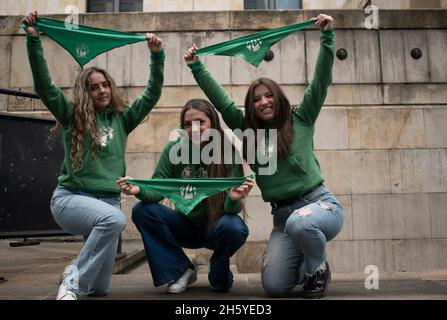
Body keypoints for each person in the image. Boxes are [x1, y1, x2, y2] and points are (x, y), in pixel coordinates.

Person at [184, 14, 343, 298]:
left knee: (301, 222)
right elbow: (220, 101)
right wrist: (197, 67)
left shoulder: (301, 118)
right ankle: (307, 260)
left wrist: (327, 37)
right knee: (274, 286)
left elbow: (320, 81)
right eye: (256, 99)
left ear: (278, 97)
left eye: (268, 95)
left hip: (319, 206)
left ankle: (317, 268)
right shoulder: (249, 131)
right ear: (251, 106)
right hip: (283, 218)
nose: (263, 101)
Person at [22, 11, 165, 300]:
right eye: (93, 87)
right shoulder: (72, 116)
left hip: (108, 203)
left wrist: (157, 57)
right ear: (85, 92)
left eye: (105, 85)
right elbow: (45, 87)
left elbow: (151, 95)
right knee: (114, 220)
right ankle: (71, 284)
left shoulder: (122, 120)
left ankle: (75, 270)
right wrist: (34, 41)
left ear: (111, 88)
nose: (101, 90)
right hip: (71, 199)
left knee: (99, 289)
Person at [117, 98, 254, 293]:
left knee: (233, 226)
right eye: (187, 124)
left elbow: (232, 210)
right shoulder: (174, 150)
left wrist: (233, 198)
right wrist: (138, 190)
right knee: (143, 211)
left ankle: (218, 270)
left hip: (216, 227)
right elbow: (158, 189)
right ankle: (181, 270)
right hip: (184, 225)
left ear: (213, 123)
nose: (193, 128)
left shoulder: (228, 153)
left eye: (200, 122)